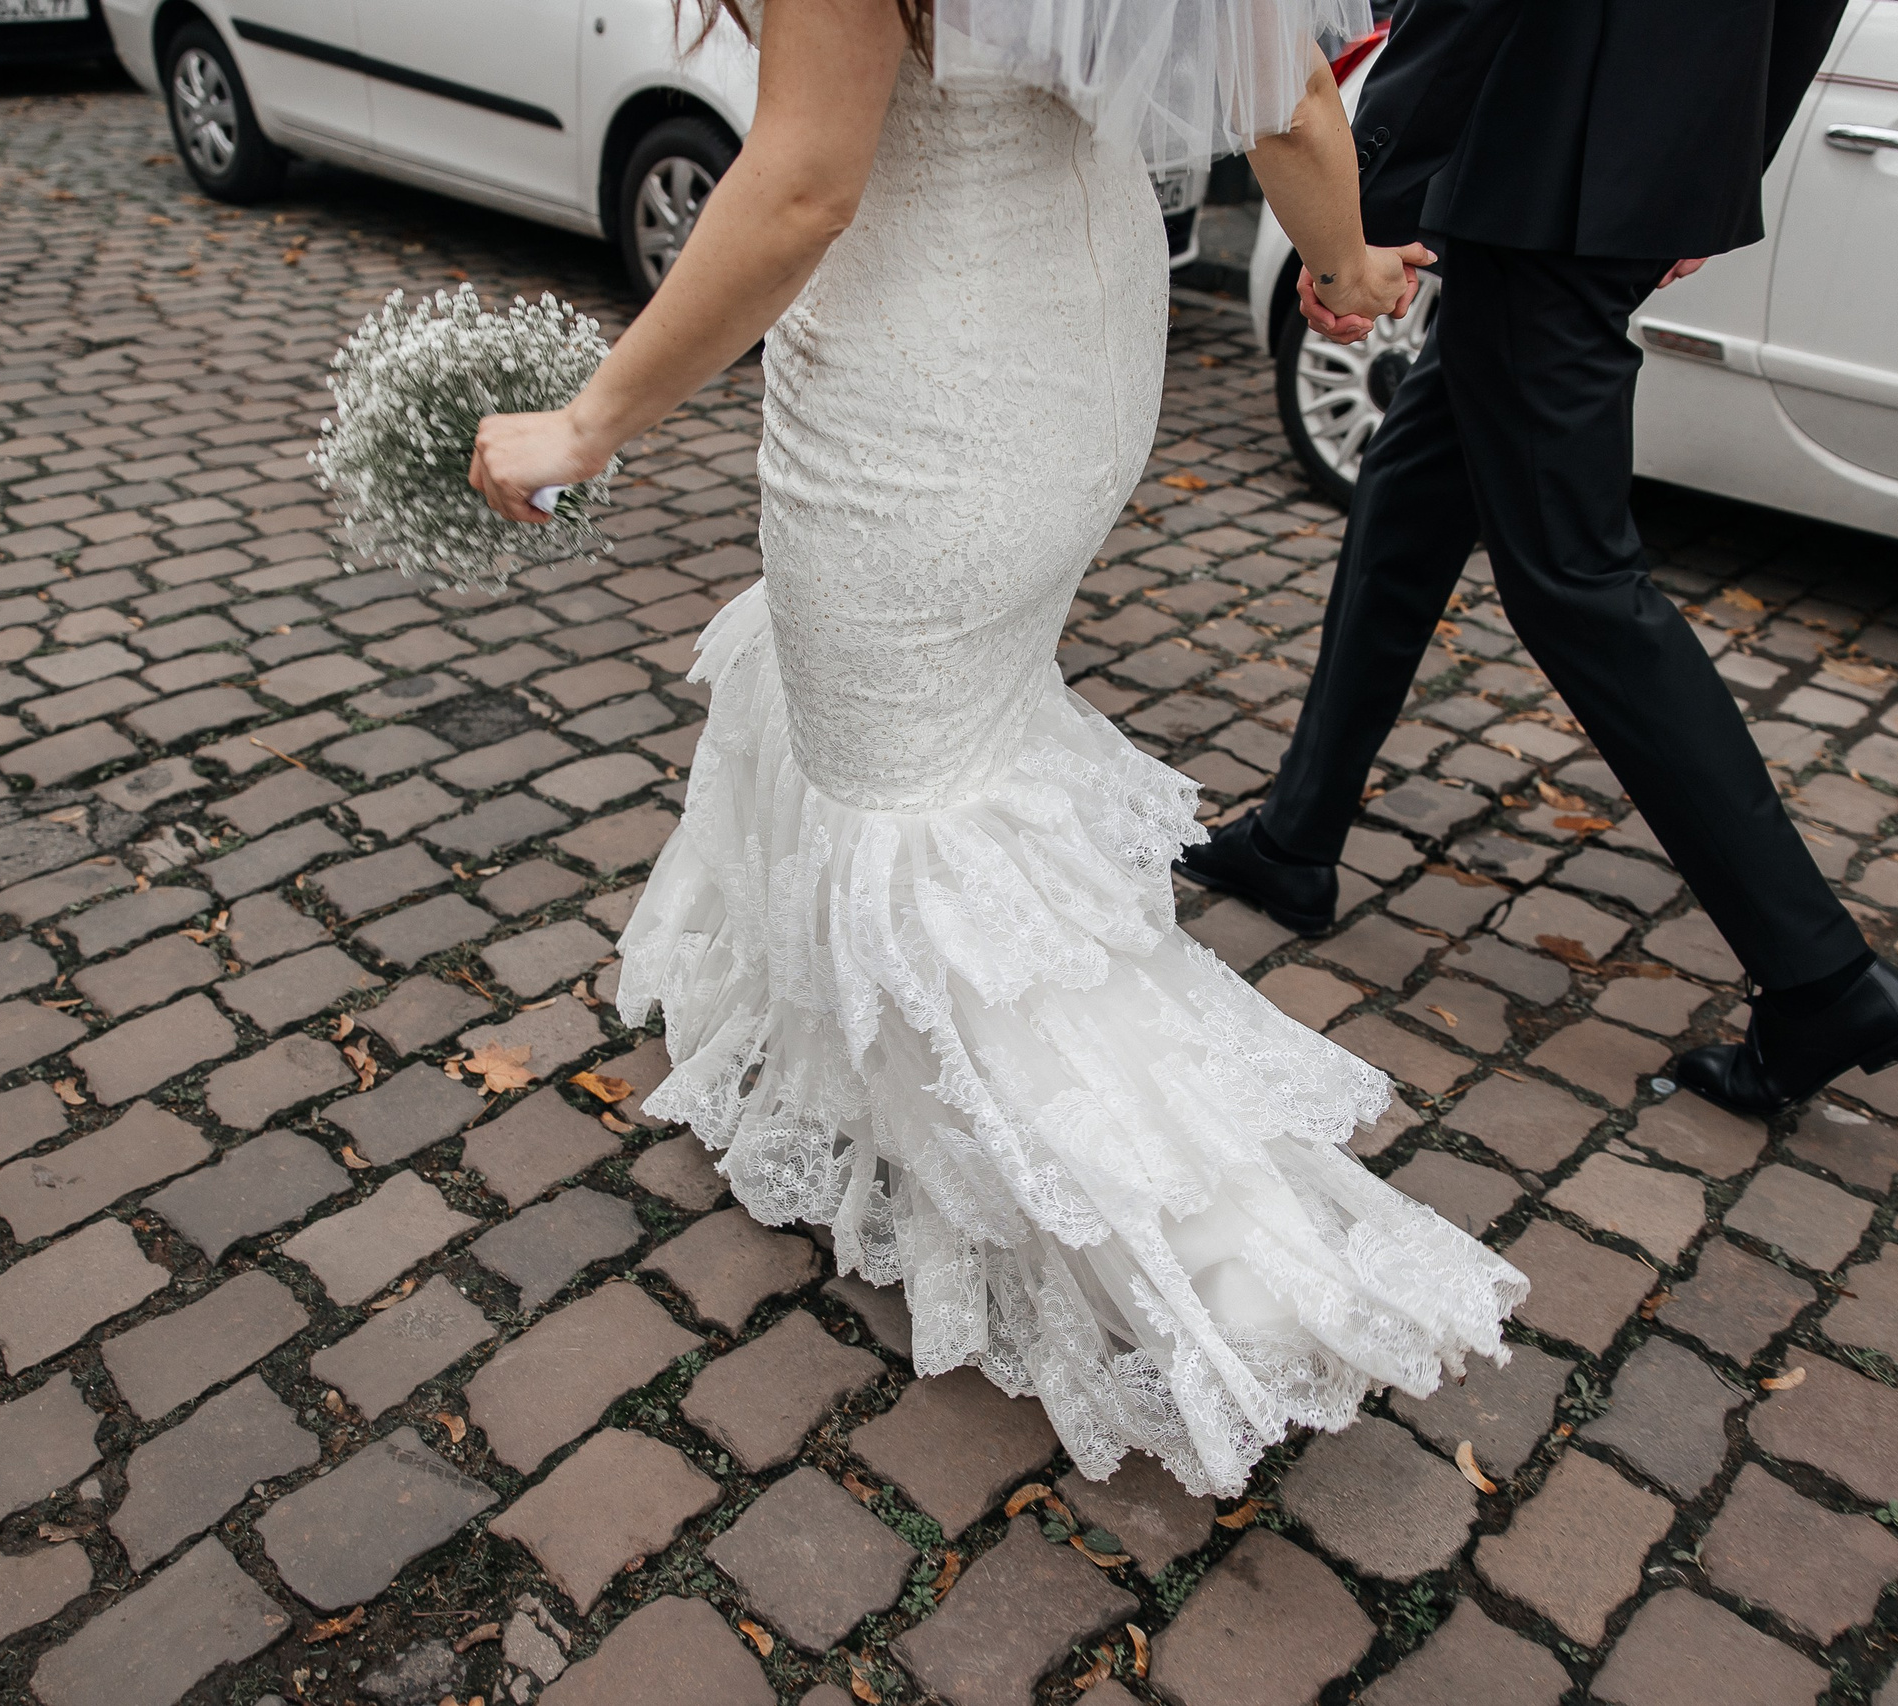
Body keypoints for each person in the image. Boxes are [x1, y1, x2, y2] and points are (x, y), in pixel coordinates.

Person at [468, 0, 1525, 1497]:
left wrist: (587, 424)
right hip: (1075, 357)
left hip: (925, 384)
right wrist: (1346, 264)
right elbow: (1283, 96)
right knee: (932, 746)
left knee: (904, 792)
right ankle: (878, 1106)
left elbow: (802, 184)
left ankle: (1230, 1267)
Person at [1179, 0, 1898, 1118]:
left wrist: (1359, 210)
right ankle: (1296, 836)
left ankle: (1822, 975)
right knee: (1413, 490)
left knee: (1575, 579)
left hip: (1546, 168)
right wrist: (1712, 161)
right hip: (1609, 164)